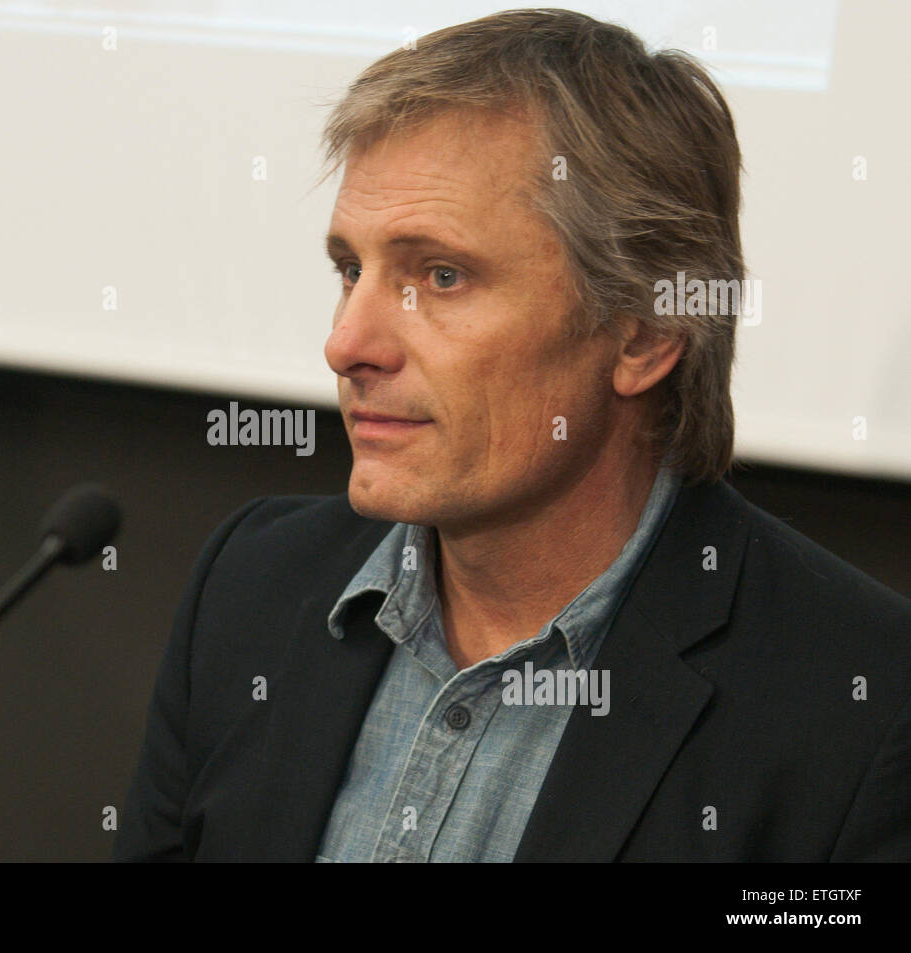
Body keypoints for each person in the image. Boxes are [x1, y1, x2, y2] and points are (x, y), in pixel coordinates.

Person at [114, 9, 911, 862]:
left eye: (441, 275)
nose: (347, 343)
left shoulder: (861, 706)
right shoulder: (253, 584)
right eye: (351, 269)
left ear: (643, 333)